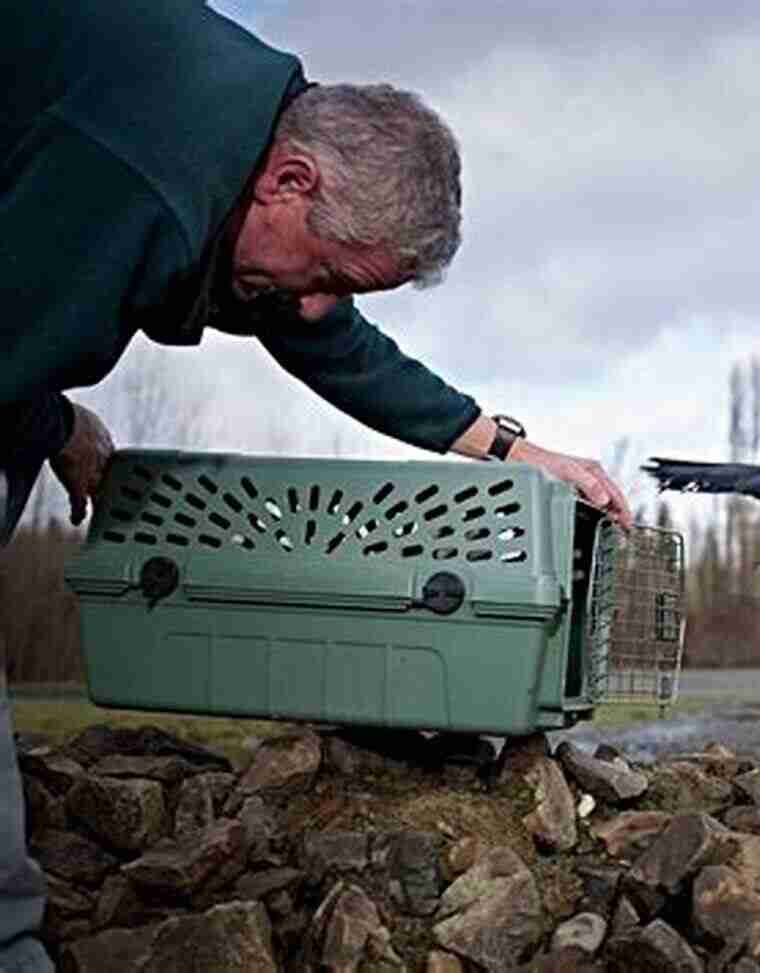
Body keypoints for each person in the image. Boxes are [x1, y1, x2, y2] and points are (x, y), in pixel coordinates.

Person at [1, 2, 631, 967]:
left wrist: (513, 451)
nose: (311, 308)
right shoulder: (148, 176)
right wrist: (52, 418)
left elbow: (331, 343)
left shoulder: (247, 137)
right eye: (331, 273)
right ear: (293, 181)